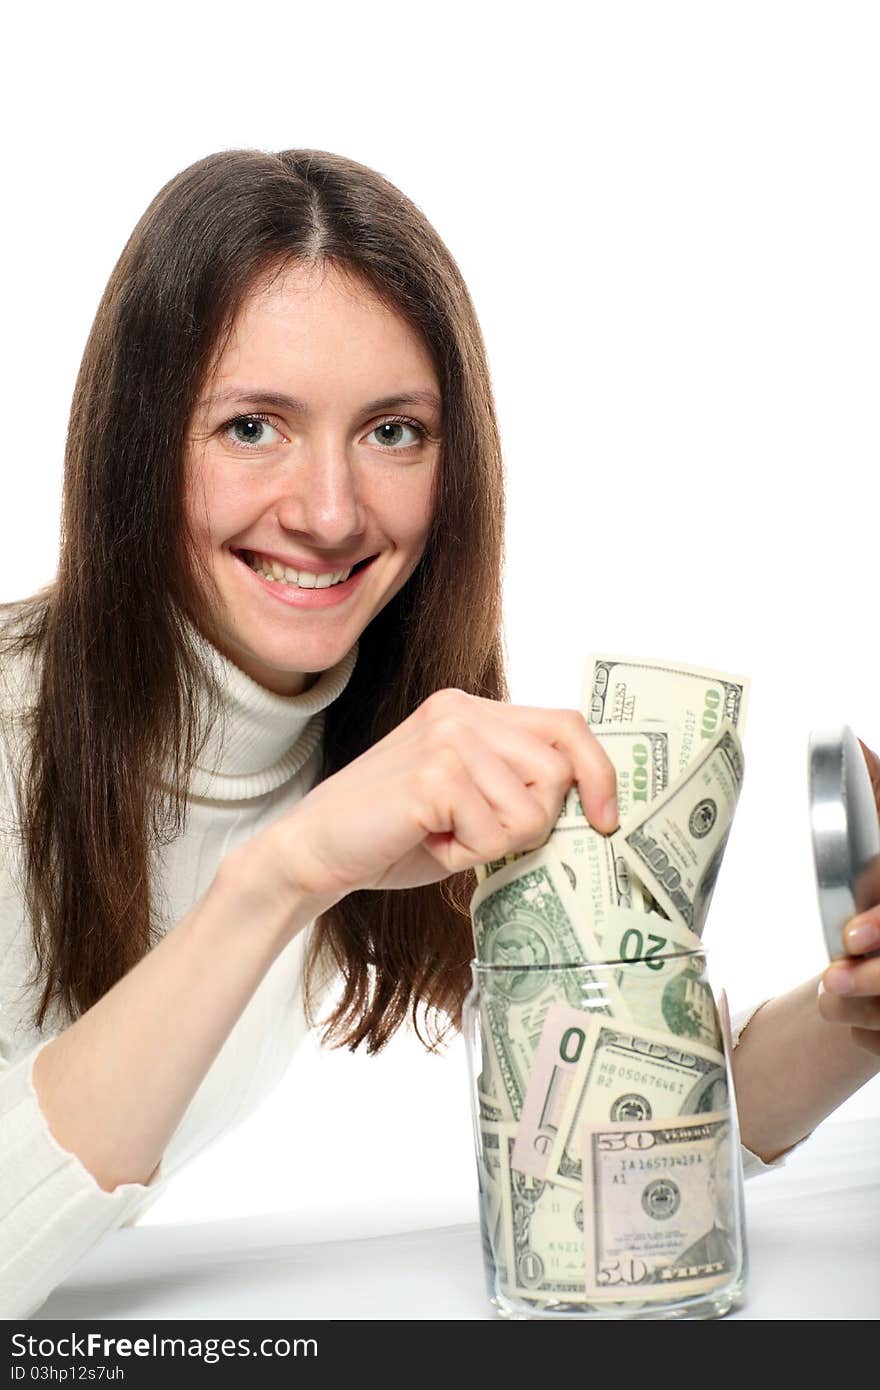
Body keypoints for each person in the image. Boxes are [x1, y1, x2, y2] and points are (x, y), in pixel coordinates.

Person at [0, 149, 878, 1321]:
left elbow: (625, 1119)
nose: (327, 512)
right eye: (251, 426)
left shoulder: (383, 728)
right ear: (135, 445)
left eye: (394, 432)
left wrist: (847, 1014)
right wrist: (285, 875)